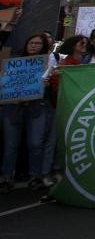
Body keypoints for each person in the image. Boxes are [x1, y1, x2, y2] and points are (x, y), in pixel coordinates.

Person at [0, 33, 56, 192]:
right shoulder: (13, 63)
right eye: (31, 42)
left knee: (35, 143)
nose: (33, 46)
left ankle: (35, 176)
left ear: (43, 46)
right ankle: (7, 176)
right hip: (13, 107)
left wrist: (48, 84)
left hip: (37, 107)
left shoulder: (48, 63)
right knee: (11, 145)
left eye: (37, 43)